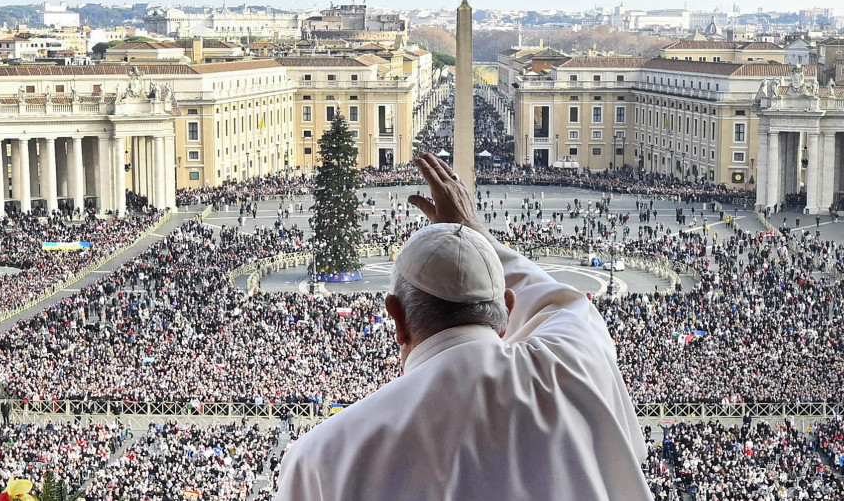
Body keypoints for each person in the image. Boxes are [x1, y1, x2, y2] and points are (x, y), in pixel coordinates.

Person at [276, 154, 651, 500]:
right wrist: (472, 231)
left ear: (396, 316)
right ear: (507, 306)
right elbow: (565, 306)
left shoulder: (322, 458)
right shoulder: (570, 367)